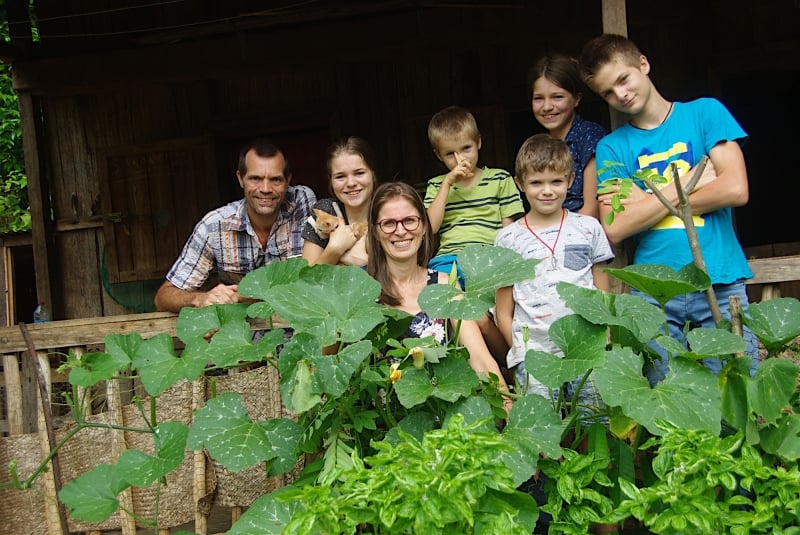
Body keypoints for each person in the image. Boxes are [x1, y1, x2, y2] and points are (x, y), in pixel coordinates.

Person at [577, 34, 758, 384]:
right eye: (608, 93)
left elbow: (735, 188)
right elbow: (615, 227)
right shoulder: (612, 147)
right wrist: (693, 178)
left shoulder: (705, 112)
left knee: (737, 395)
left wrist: (646, 198)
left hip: (718, 277)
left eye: (623, 79)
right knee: (667, 404)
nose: (620, 95)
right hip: (652, 289)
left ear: (643, 64)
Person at [367, 181, 513, 412]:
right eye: (388, 223)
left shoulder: (445, 283)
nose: (401, 230)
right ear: (375, 231)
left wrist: (510, 413)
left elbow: (480, 359)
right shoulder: (365, 293)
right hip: (389, 426)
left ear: (424, 226)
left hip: (450, 421)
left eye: (409, 220)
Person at [494, 134, 614, 407]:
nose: (546, 191)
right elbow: (503, 309)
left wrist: (604, 336)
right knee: (542, 431)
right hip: (534, 354)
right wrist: (520, 350)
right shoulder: (508, 238)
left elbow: (603, 293)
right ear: (520, 183)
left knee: (593, 421)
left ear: (571, 180)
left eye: (556, 182)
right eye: (536, 182)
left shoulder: (588, 228)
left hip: (586, 348)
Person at [154, 138, 316, 313]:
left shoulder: (302, 202)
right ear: (240, 179)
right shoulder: (214, 226)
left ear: (288, 180)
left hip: (299, 329)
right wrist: (200, 299)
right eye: (255, 179)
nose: (266, 188)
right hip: (240, 332)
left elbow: (313, 277)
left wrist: (241, 295)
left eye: (276, 180)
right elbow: (163, 297)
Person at [423, 105, 524, 363]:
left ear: (479, 142)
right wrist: (447, 183)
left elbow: (510, 229)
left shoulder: (499, 179)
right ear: (438, 155)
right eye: (449, 154)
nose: (460, 160)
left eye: (466, 149)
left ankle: (508, 364)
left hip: (488, 260)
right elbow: (429, 228)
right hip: (449, 260)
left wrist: (507, 267)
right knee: (454, 311)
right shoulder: (437, 184)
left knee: (488, 316)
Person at [528, 52, 607, 219]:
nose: (547, 106)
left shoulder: (589, 135)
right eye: (539, 98)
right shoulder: (540, 145)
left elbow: (592, 210)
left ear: (577, 99)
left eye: (557, 97)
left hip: (582, 232)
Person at [301, 137, 377, 267]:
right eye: (340, 176)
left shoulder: (389, 209)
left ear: (373, 174)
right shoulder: (325, 211)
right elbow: (304, 281)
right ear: (331, 180)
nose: (351, 183)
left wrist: (360, 261)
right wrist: (335, 249)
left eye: (359, 173)